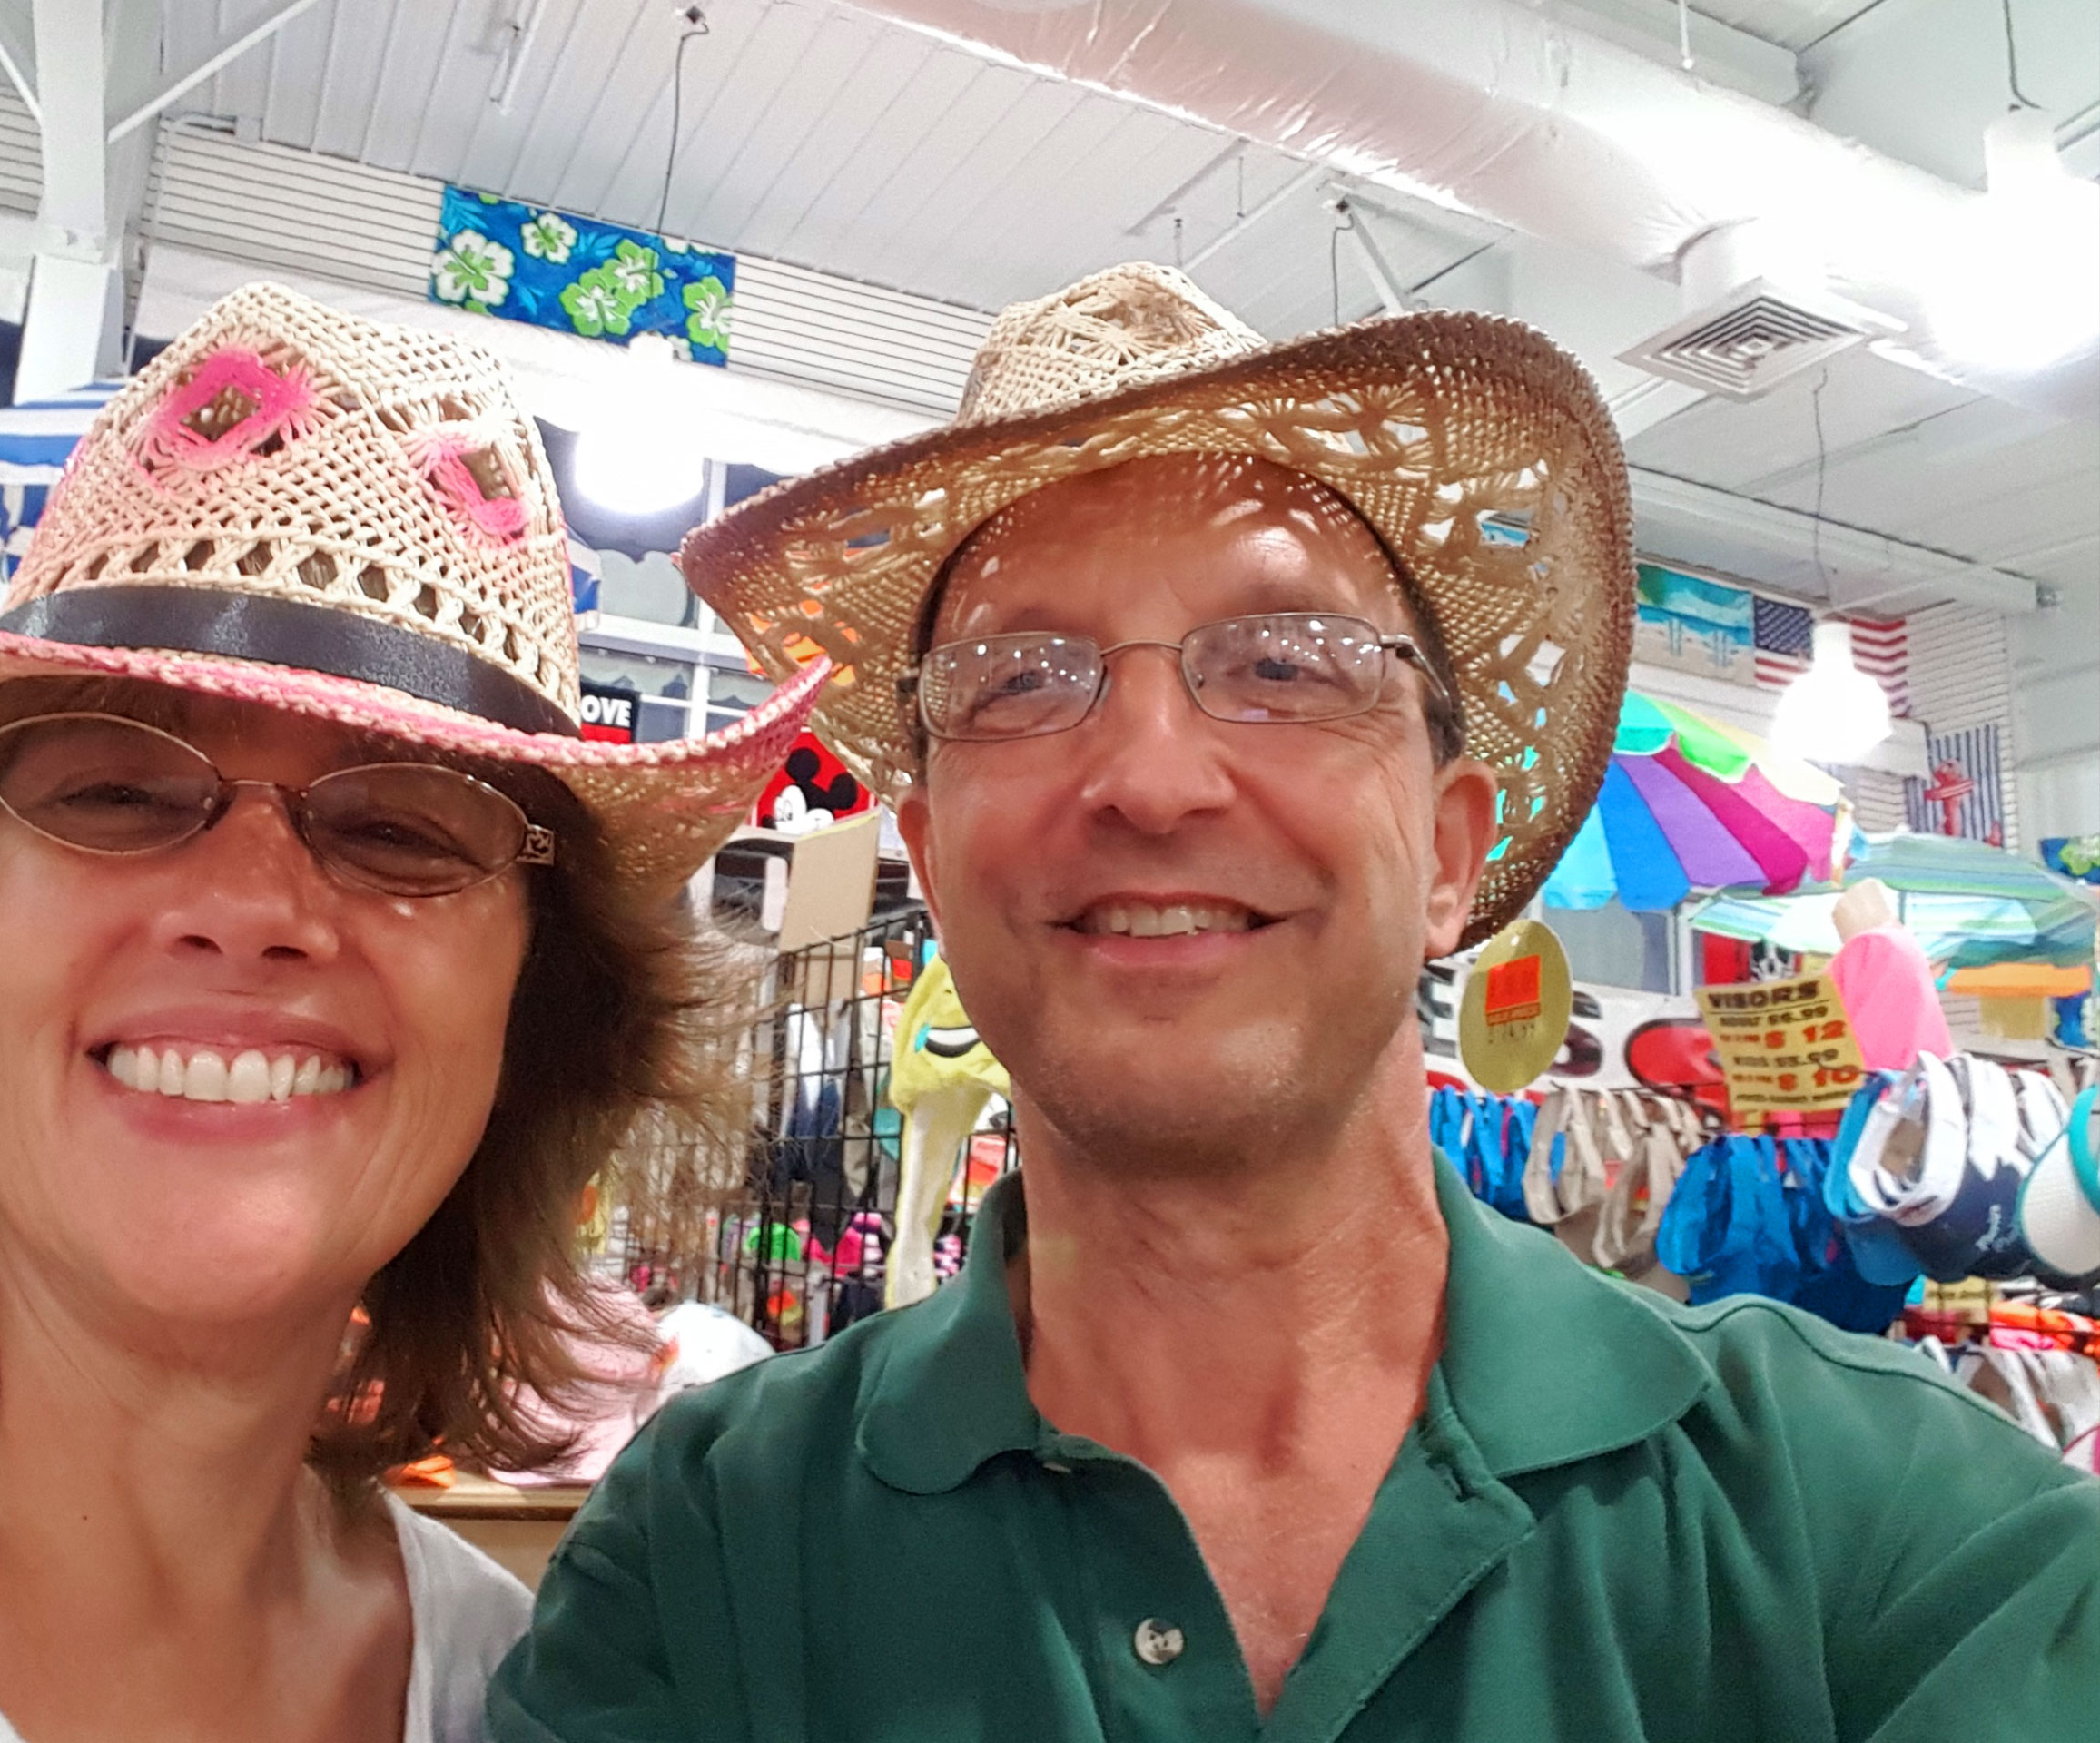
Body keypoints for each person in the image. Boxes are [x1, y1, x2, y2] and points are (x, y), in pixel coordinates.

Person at [492, 264, 2100, 1739]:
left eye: (1284, 663)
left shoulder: (1891, 1531)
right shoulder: (709, 1547)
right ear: (928, 852)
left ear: (1454, 853)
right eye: (1020, 681)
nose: (1149, 776)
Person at [0, 282, 823, 1742]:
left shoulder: (510, 1692)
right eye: (112, 792)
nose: (249, 903)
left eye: (405, 831)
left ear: (531, 1019)